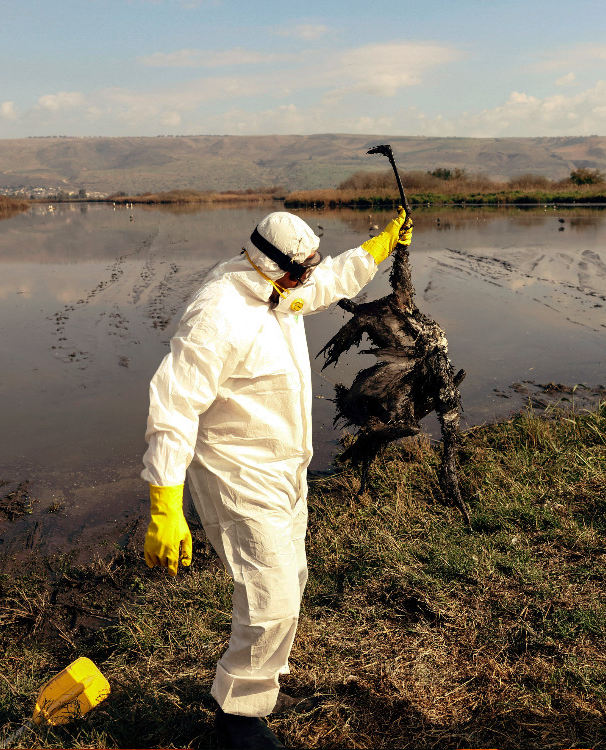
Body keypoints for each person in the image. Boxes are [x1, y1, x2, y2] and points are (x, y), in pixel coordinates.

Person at [140, 208, 412, 749]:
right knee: (271, 598)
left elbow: (320, 287)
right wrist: (165, 503)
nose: (307, 278)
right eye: (299, 271)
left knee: (292, 581)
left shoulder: (279, 286)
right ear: (269, 263)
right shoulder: (216, 314)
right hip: (236, 475)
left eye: (309, 266)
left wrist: (376, 250)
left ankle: (258, 689)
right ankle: (237, 720)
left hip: (286, 466)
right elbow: (173, 407)